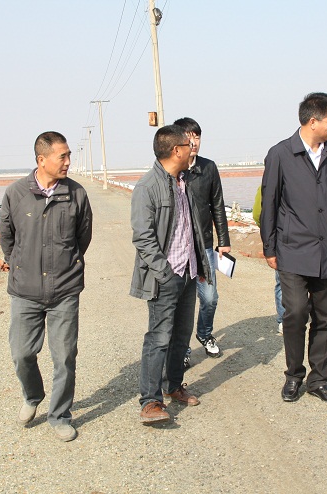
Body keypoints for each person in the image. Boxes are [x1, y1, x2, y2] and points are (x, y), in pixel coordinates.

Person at [260, 92, 327, 405]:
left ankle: (319, 381)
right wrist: (270, 247)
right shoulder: (280, 154)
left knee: (326, 318)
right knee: (297, 312)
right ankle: (293, 375)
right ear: (313, 121)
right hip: (293, 250)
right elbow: (270, 202)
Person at [0, 131, 93, 442]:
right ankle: (33, 395)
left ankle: (60, 415)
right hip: (25, 291)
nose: (68, 161)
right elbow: (7, 238)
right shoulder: (16, 194)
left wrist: (67, 264)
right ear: (42, 159)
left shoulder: (76, 194)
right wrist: (21, 265)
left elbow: (83, 238)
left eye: (69, 155)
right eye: (62, 156)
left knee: (64, 356)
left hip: (64, 289)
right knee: (22, 353)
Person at [130, 124, 211, 424]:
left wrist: (199, 266)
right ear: (177, 150)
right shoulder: (147, 187)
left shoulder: (184, 182)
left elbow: (192, 229)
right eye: (189, 145)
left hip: (188, 271)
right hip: (166, 275)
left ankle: (173, 385)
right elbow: (143, 238)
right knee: (159, 338)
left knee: (181, 335)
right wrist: (164, 273)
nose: (193, 148)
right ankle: (150, 402)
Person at [173, 117, 231, 367]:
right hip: (179, 248)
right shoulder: (173, 169)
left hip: (205, 245)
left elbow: (217, 204)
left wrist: (223, 240)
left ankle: (205, 334)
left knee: (209, 297)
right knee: (182, 302)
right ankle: (183, 347)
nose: (194, 142)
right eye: (188, 137)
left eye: (197, 136)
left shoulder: (208, 167)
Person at [252, 185, 284, 333]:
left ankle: (284, 319)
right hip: (289, 239)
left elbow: (257, 214)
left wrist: (268, 230)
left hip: (279, 238)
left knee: (282, 283)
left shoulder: (267, 183)